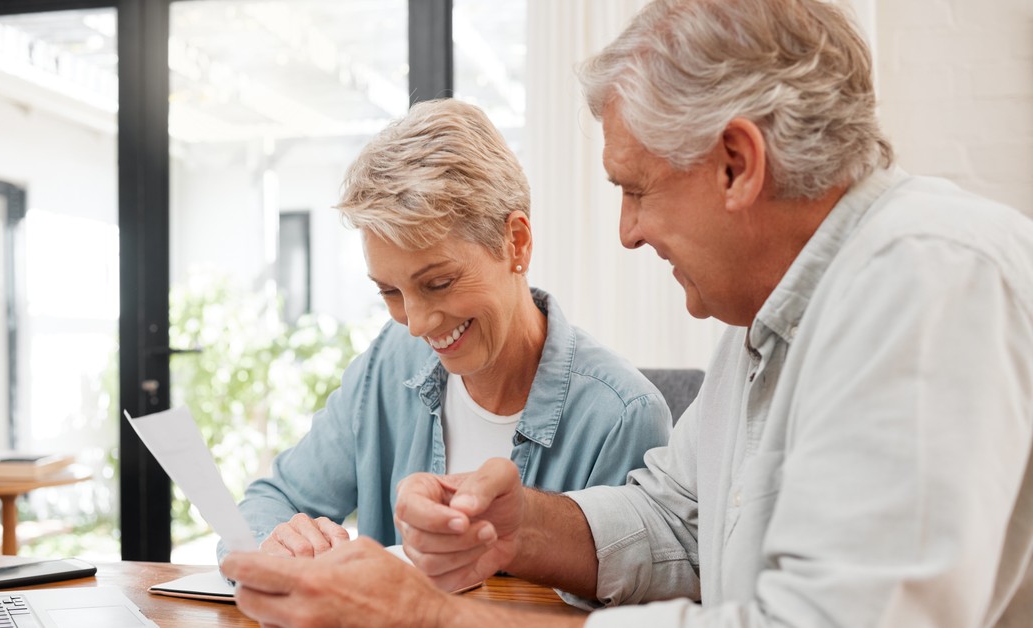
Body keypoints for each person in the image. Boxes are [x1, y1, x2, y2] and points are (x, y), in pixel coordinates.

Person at [220, 0, 1033, 625]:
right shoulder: (769, 326)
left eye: (636, 189)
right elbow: (678, 523)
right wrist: (520, 527)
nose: (628, 231)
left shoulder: (927, 280)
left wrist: (431, 615)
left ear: (736, 164)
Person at [228, 98, 672, 559]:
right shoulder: (390, 363)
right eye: (390, 292)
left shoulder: (622, 417)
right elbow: (269, 501)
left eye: (438, 283)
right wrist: (278, 542)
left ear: (515, 241)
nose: (417, 324)